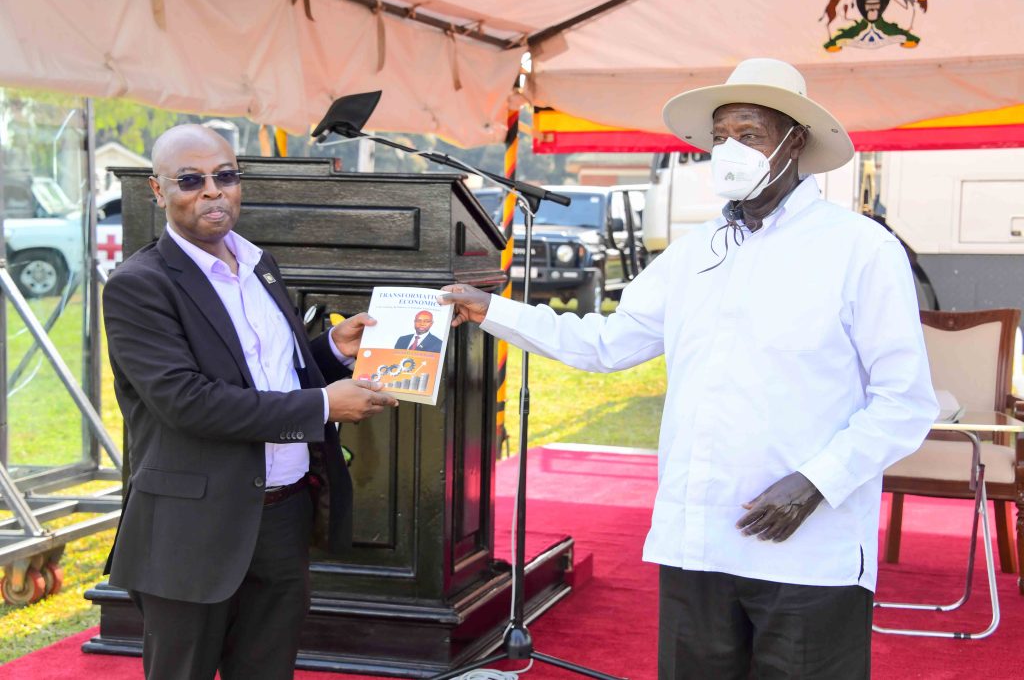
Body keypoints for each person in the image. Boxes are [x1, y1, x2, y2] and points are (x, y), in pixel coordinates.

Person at [441, 58, 937, 679]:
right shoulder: (694, 252)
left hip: (810, 551)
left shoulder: (860, 250)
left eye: (750, 134)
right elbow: (605, 342)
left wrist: (814, 483)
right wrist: (491, 309)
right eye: (721, 136)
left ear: (795, 142)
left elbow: (904, 402)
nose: (730, 150)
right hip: (698, 541)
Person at [102, 124, 398, 680]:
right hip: (193, 527)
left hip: (281, 516)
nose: (213, 191)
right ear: (157, 191)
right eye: (191, 179)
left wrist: (331, 352)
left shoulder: (259, 264)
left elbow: (267, 373)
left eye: (226, 176)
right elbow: (187, 401)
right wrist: (321, 407)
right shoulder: (138, 285)